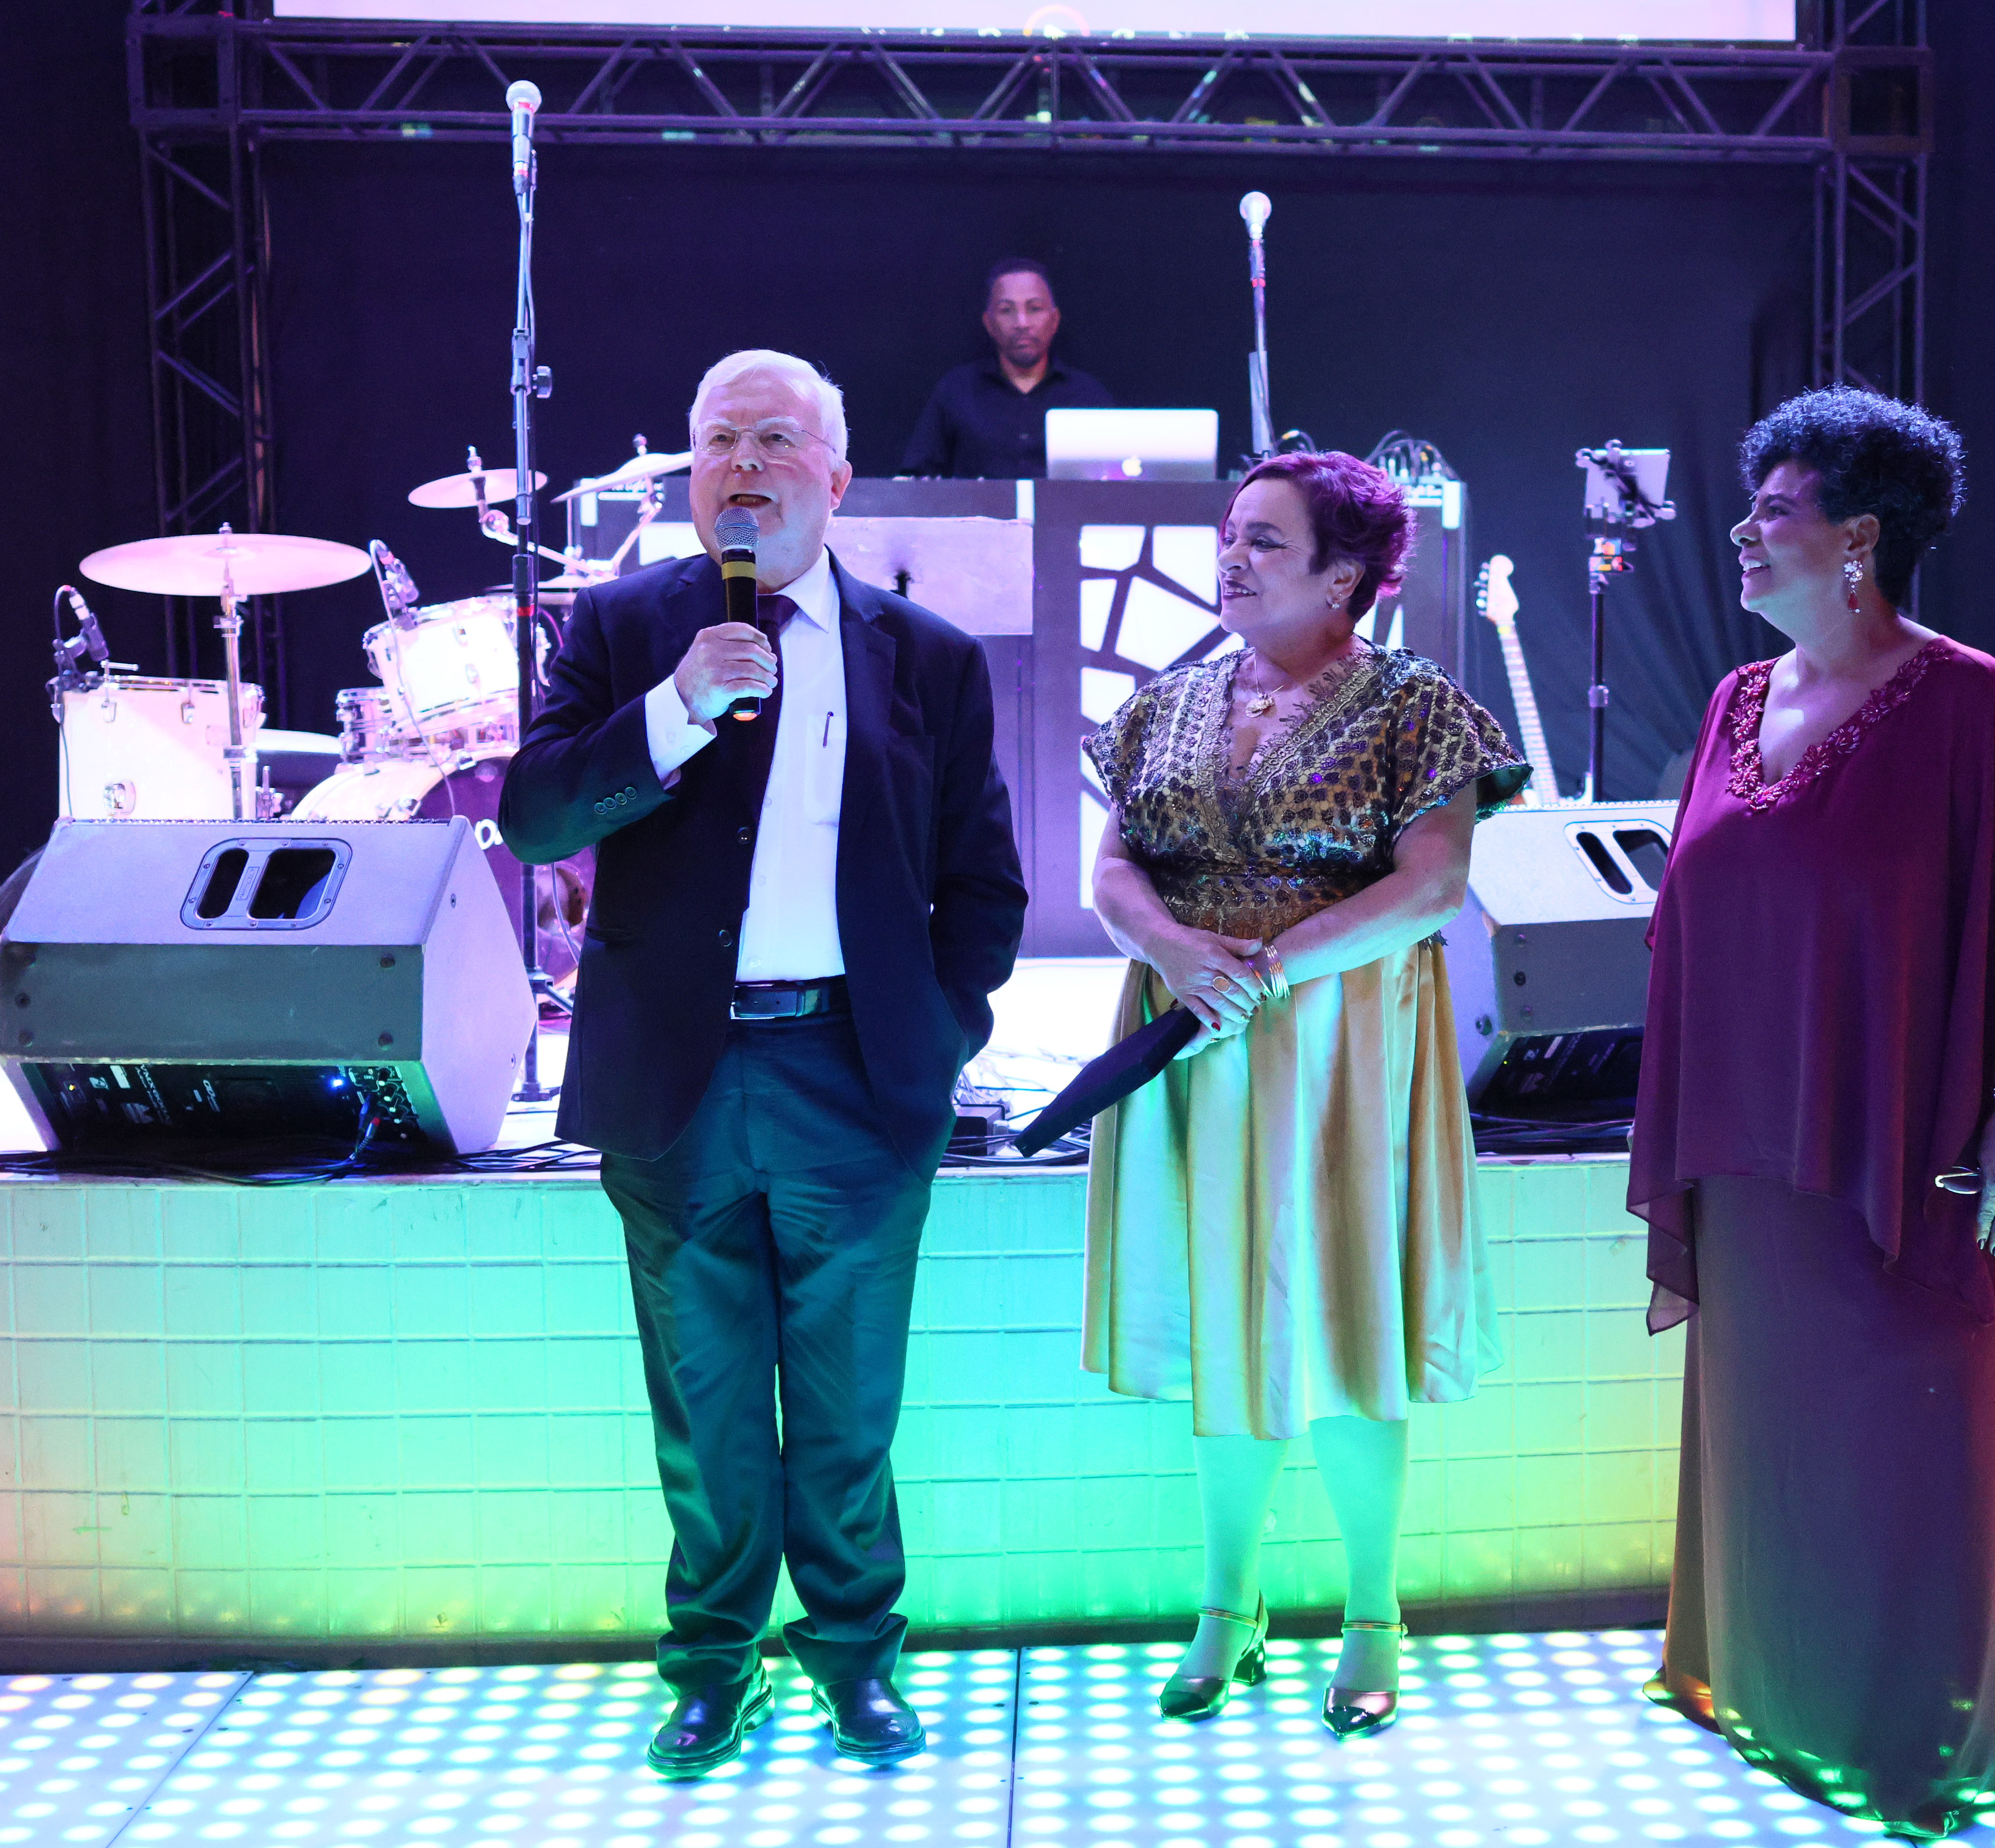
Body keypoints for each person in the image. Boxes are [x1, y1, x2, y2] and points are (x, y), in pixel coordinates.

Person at [502, 349, 1027, 1778]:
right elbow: (537, 816)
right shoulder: (622, 626)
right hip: (676, 1084)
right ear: (691, 475)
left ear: (836, 479)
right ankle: (711, 1666)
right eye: (719, 440)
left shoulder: (929, 655)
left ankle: (854, 1656)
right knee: (708, 1408)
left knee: (849, 1409)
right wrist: (674, 707)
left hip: (856, 1075)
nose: (743, 464)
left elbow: (983, 882)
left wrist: (939, 1031)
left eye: (776, 439)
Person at [1629, 388, 1995, 1841]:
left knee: (1916, 1448)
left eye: (1774, 509)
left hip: (1912, 1155)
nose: (1742, 529)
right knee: (1781, 1451)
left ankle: (1924, 1729)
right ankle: (1773, 1691)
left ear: (1858, 539)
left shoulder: (1963, 699)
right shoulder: (1732, 703)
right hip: (1754, 1162)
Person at [1079, 450, 1528, 1738]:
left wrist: (1267, 968)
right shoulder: (1168, 702)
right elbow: (1112, 870)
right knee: (1224, 1312)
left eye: (1265, 539)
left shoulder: (1415, 704)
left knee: (1351, 1317)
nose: (1232, 556)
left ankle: (1373, 1613)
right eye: (1230, 534)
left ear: (1345, 575)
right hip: (1193, 1037)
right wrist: (1173, 951)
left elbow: (1434, 886)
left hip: (1342, 1043)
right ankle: (1230, 1607)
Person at [900, 258, 1116, 478]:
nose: (1022, 323)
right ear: (989, 324)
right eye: (1006, 310)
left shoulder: (1087, 395)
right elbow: (916, 480)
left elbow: (1118, 481)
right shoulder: (957, 391)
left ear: (1054, 320)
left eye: (1035, 309)